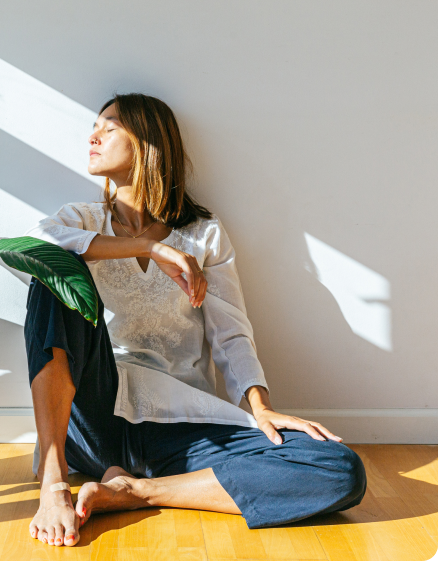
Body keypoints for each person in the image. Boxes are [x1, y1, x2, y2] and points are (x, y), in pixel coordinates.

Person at [21, 93, 366, 547]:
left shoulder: (204, 234)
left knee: (338, 468)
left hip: (176, 422)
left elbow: (230, 332)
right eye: (95, 125)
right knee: (53, 272)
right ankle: (54, 483)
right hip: (95, 414)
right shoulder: (80, 220)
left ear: (147, 141)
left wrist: (259, 407)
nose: (94, 135)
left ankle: (134, 489)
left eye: (110, 126)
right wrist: (148, 248)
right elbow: (32, 246)